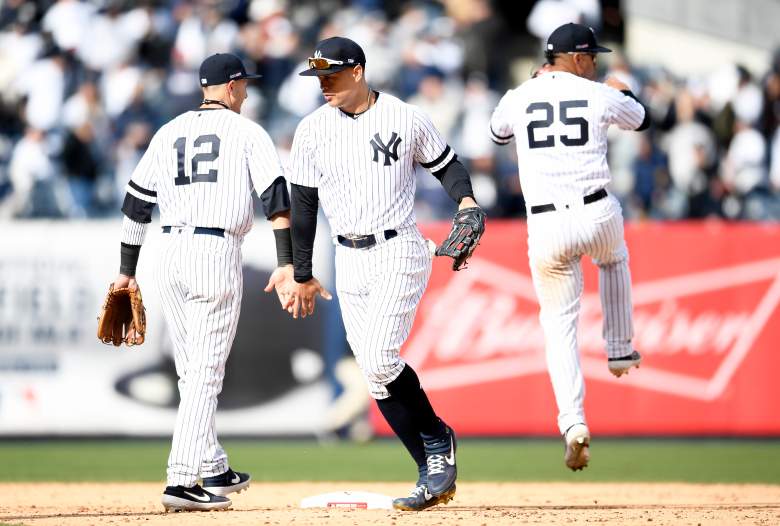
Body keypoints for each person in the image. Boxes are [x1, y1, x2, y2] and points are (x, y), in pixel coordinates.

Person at [285, 37, 483, 511]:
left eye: (331, 75)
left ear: (357, 71)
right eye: (318, 77)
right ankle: (429, 469)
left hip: (398, 247)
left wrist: (467, 200)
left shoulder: (404, 116)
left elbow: (446, 163)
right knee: (375, 379)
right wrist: (303, 271)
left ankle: (437, 436)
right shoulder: (312, 129)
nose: (324, 85)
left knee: (377, 358)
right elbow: (304, 206)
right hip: (347, 257)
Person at [109, 53, 296, 511]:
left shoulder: (167, 131)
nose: (248, 92)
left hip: (167, 254)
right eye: (244, 85)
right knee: (205, 375)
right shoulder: (247, 131)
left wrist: (126, 272)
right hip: (214, 251)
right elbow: (276, 200)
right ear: (231, 87)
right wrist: (287, 262)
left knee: (190, 368)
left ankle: (212, 465)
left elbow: (135, 206)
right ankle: (180, 480)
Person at [489, 23, 648, 471]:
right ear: (576, 59)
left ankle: (573, 421)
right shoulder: (599, 93)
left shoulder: (521, 94)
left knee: (559, 325)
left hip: (546, 223)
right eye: (591, 56)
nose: (595, 63)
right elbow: (643, 119)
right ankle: (619, 348)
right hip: (596, 210)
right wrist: (626, 91)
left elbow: (497, 132)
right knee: (614, 259)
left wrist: (535, 90)